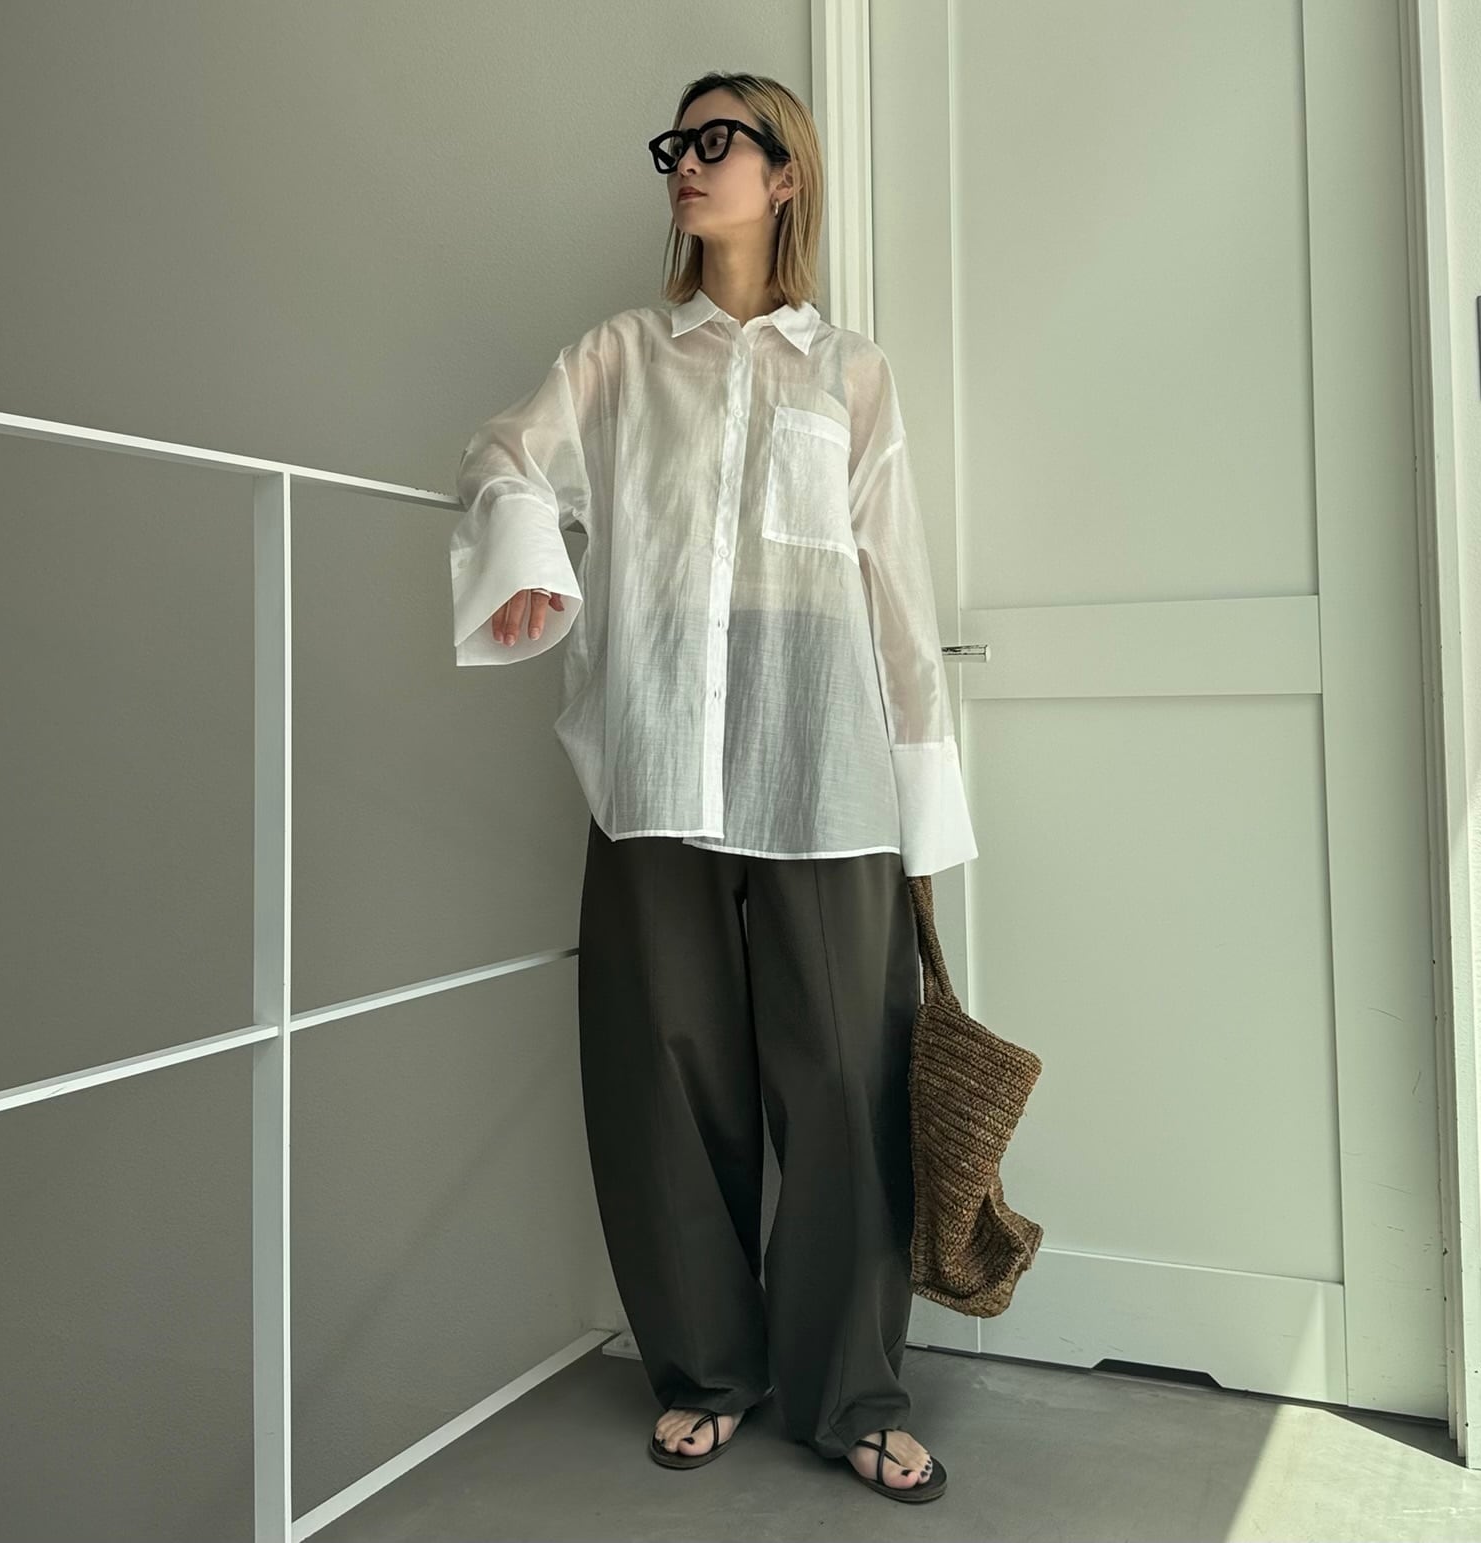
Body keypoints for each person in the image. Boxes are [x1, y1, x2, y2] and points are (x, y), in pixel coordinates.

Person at [449, 69, 976, 1505]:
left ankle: (853, 1390)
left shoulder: (848, 370)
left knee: (847, 1077)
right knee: (661, 1068)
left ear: (784, 173)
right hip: (657, 748)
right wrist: (531, 559)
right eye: (675, 144)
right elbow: (504, 456)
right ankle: (705, 1369)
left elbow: (894, 589)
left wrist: (925, 803)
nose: (686, 162)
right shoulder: (621, 356)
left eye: (717, 140)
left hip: (825, 758)